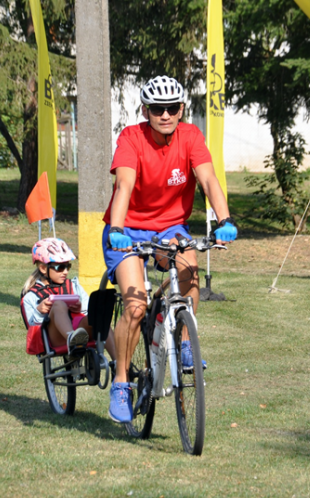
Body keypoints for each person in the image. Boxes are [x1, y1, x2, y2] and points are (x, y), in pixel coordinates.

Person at [103, 75, 238, 423]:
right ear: (146, 110)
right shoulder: (131, 138)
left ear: (181, 109)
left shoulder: (191, 136)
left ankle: (181, 338)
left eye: (172, 108)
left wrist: (224, 219)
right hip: (128, 229)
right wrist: (117, 229)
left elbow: (208, 179)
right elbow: (124, 185)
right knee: (134, 308)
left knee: (189, 269)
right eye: (157, 109)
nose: (165, 115)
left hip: (170, 228)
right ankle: (121, 382)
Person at [22, 237, 115, 358]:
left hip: (81, 331)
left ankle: (120, 366)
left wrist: (79, 308)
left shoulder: (74, 286)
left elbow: (87, 312)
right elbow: (32, 329)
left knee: (99, 317)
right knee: (59, 304)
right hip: (55, 337)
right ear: (44, 268)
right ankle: (72, 337)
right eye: (60, 267)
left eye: (68, 266)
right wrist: (39, 312)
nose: (65, 272)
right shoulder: (31, 296)